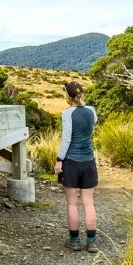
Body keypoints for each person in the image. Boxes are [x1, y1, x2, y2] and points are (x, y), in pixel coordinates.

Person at [55, 80, 99, 252]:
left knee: (72, 203)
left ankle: (75, 241)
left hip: (72, 162)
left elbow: (66, 139)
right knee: (89, 203)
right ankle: (92, 241)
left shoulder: (67, 114)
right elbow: (93, 123)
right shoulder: (91, 111)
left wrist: (59, 160)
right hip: (88, 161)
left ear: (67, 95)